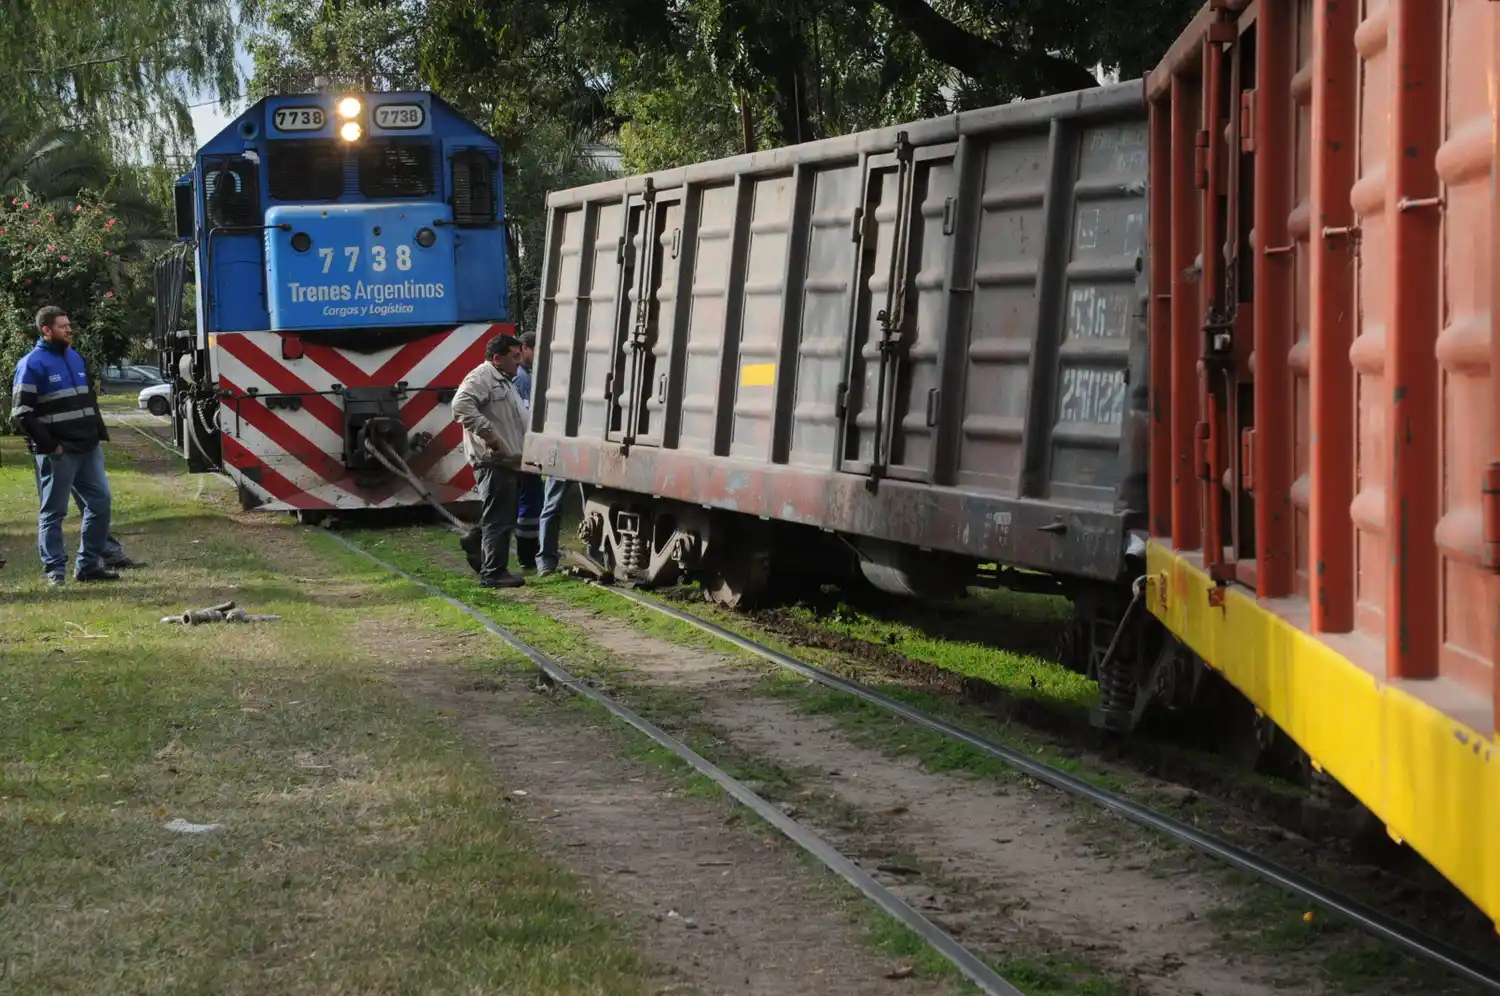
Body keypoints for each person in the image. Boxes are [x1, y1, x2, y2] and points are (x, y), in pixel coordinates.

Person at [10, 306, 117, 585]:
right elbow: (21, 413)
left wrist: (97, 433)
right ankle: (55, 571)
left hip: (88, 448)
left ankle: (88, 567)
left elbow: (89, 401)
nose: (69, 330)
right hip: (59, 453)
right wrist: (51, 446)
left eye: (68, 325)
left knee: (100, 505)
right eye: (62, 326)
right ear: (46, 330)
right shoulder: (31, 364)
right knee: (54, 512)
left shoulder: (75, 358)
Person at [451, 333, 528, 589]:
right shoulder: (483, 377)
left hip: (509, 461)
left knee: (501, 516)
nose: (519, 361)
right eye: (514, 356)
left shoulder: (505, 380)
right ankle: (494, 573)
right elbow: (461, 406)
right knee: (499, 520)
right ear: (497, 358)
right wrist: (490, 436)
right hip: (494, 461)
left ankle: (476, 540)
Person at [512, 330, 543, 570]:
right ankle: (528, 556)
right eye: (536, 349)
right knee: (529, 503)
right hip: (524, 450)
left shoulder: (522, 376)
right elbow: (526, 417)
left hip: (521, 449)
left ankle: (528, 554)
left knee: (526, 502)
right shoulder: (522, 379)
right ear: (524, 348)